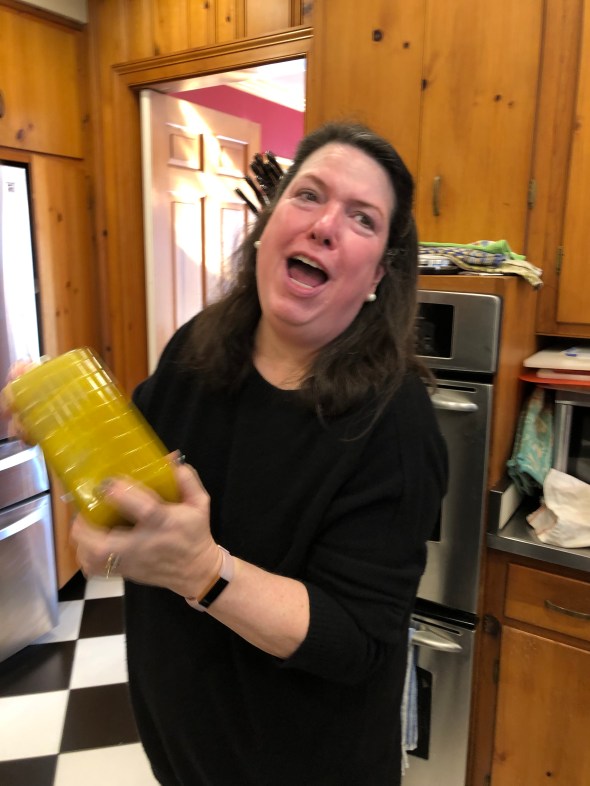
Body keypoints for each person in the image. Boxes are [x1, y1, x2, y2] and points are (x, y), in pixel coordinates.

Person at [73, 122, 446, 785]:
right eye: (309, 195)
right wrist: (62, 419)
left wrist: (204, 571)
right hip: (185, 750)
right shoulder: (196, 348)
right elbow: (137, 488)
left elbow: (357, 640)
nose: (325, 226)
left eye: (362, 218)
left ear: (378, 275)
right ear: (268, 224)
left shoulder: (395, 424)